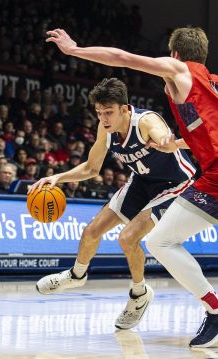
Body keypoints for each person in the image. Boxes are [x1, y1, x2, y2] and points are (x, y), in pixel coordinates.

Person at [45, 27, 218, 347]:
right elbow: (216, 131)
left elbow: (122, 58)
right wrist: (173, 142)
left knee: (160, 242)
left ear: (174, 54)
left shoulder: (180, 70)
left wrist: (75, 50)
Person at [31, 78, 195, 330]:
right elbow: (91, 167)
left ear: (125, 109)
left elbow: (164, 138)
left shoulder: (146, 122)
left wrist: (165, 142)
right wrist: (57, 177)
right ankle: (76, 275)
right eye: (99, 112)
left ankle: (139, 295)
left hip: (174, 183)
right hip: (141, 180)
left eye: (108, 112)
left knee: (127, 238)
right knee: (91, 231)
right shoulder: (104, 129)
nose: (104, 118)